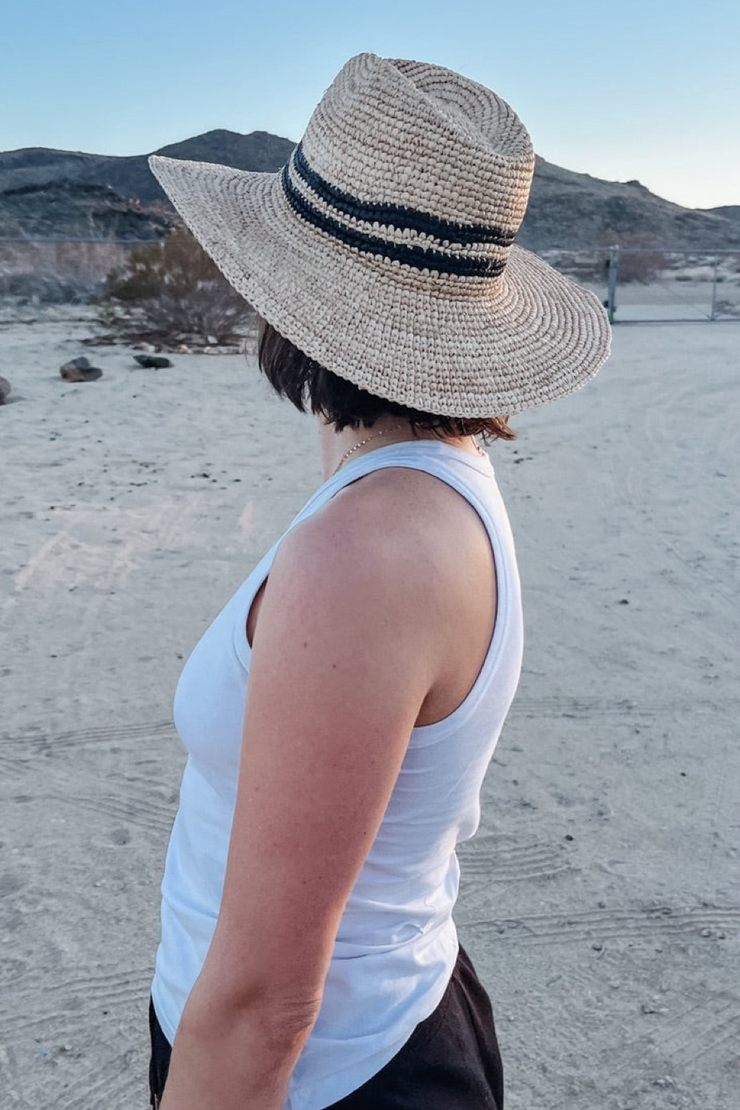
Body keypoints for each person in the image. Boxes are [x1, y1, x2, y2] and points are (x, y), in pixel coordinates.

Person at [146, 53, 610, 1110]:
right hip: (394, 1013)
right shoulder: (425, 482)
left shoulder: (367, 552)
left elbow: (266, 1002)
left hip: (316, 1078)